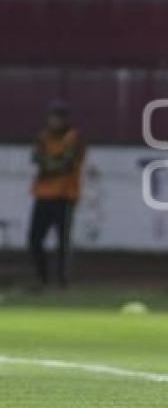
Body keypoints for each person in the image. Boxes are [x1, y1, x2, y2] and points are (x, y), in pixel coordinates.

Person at [28, 99, 86, 288]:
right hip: (43, 195)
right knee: (35, 239)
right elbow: (37, 158)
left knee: (63, 242)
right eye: (52, 117)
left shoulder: (73, 137)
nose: (55, 121)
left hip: (65, 196)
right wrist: (52, 163)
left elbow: (65, 164)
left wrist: (49, 163)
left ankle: (63, 281)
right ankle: (42, 279)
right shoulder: (43, 137)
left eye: (59, 117)